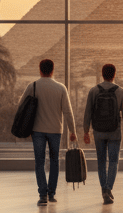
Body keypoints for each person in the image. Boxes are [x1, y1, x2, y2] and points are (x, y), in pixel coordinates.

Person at [18, 58, 77, 206]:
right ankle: (51, 193)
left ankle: (42, 195)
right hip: (55, 130)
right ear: (53, 70)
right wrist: (73, 130)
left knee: (39, 162)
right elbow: (68, 112)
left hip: (37, 130)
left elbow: (21, 106)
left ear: (40, 70)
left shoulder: (33, 86)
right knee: (54, 161)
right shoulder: (61, 88)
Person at [82, 63, 123, 204]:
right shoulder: (121, 92)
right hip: (115, 131)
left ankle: (103, 189)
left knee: (101, 161)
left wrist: (86, 131)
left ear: (102, 74)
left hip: (98, 131)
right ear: (114, 74)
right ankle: (109, 189)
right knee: (114, 161)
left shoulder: (93, 91)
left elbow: (88, 113)